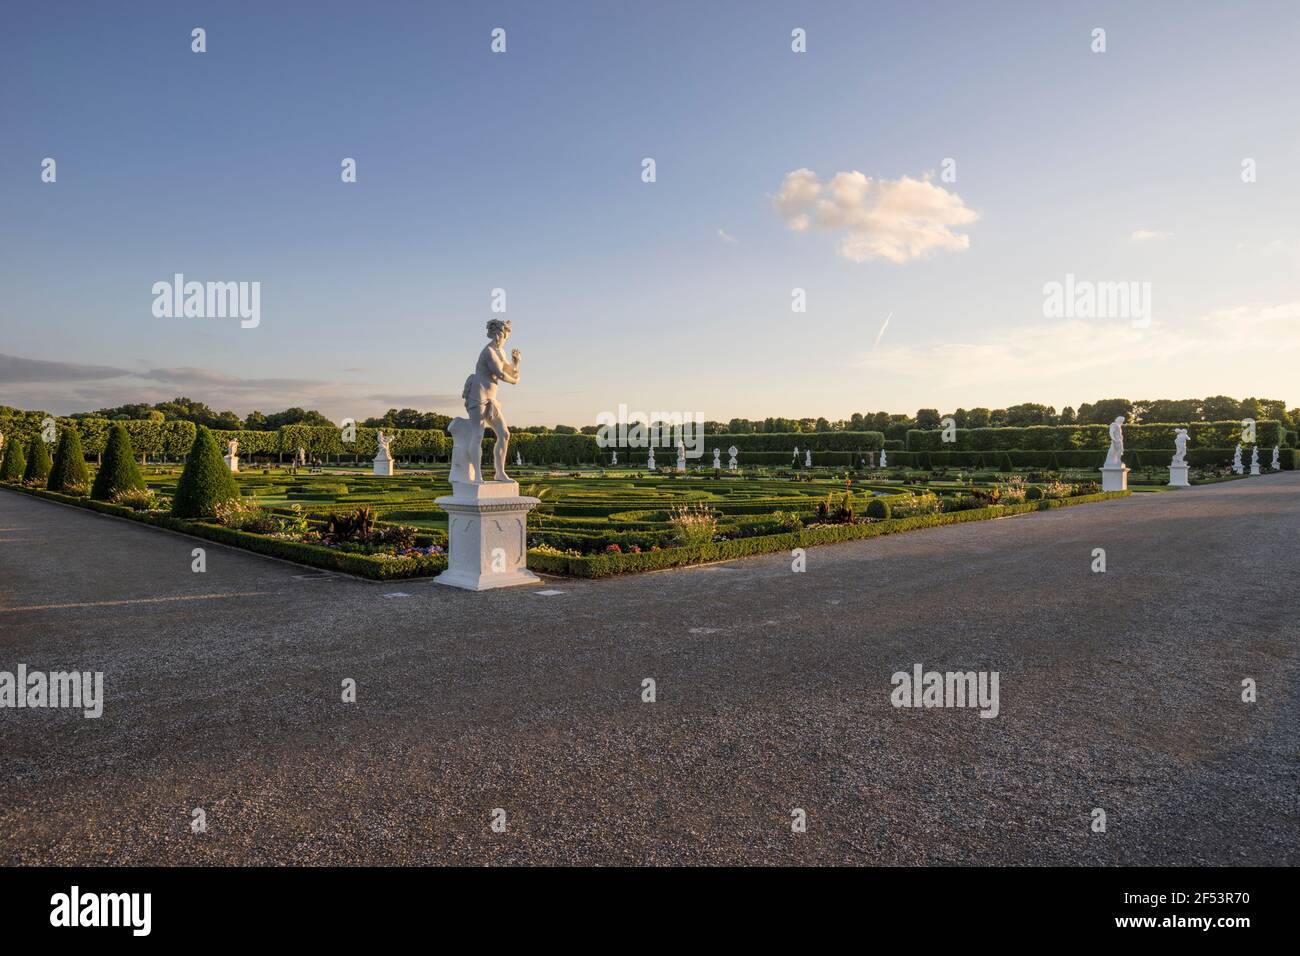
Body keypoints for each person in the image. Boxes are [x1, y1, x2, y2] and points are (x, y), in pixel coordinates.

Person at [462, 318, 521, 482]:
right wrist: (515, 381)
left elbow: (510, 370)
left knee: (505, 434)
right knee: (478, 435)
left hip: (492, 400)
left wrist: (516, 363)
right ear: (497, 334)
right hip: (478, 397)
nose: (504, 340)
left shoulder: (500, 352)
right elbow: (501, 374)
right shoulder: (488, 352)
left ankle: (500, 473)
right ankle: (477, 476)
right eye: (504, 336)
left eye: (506, 337)